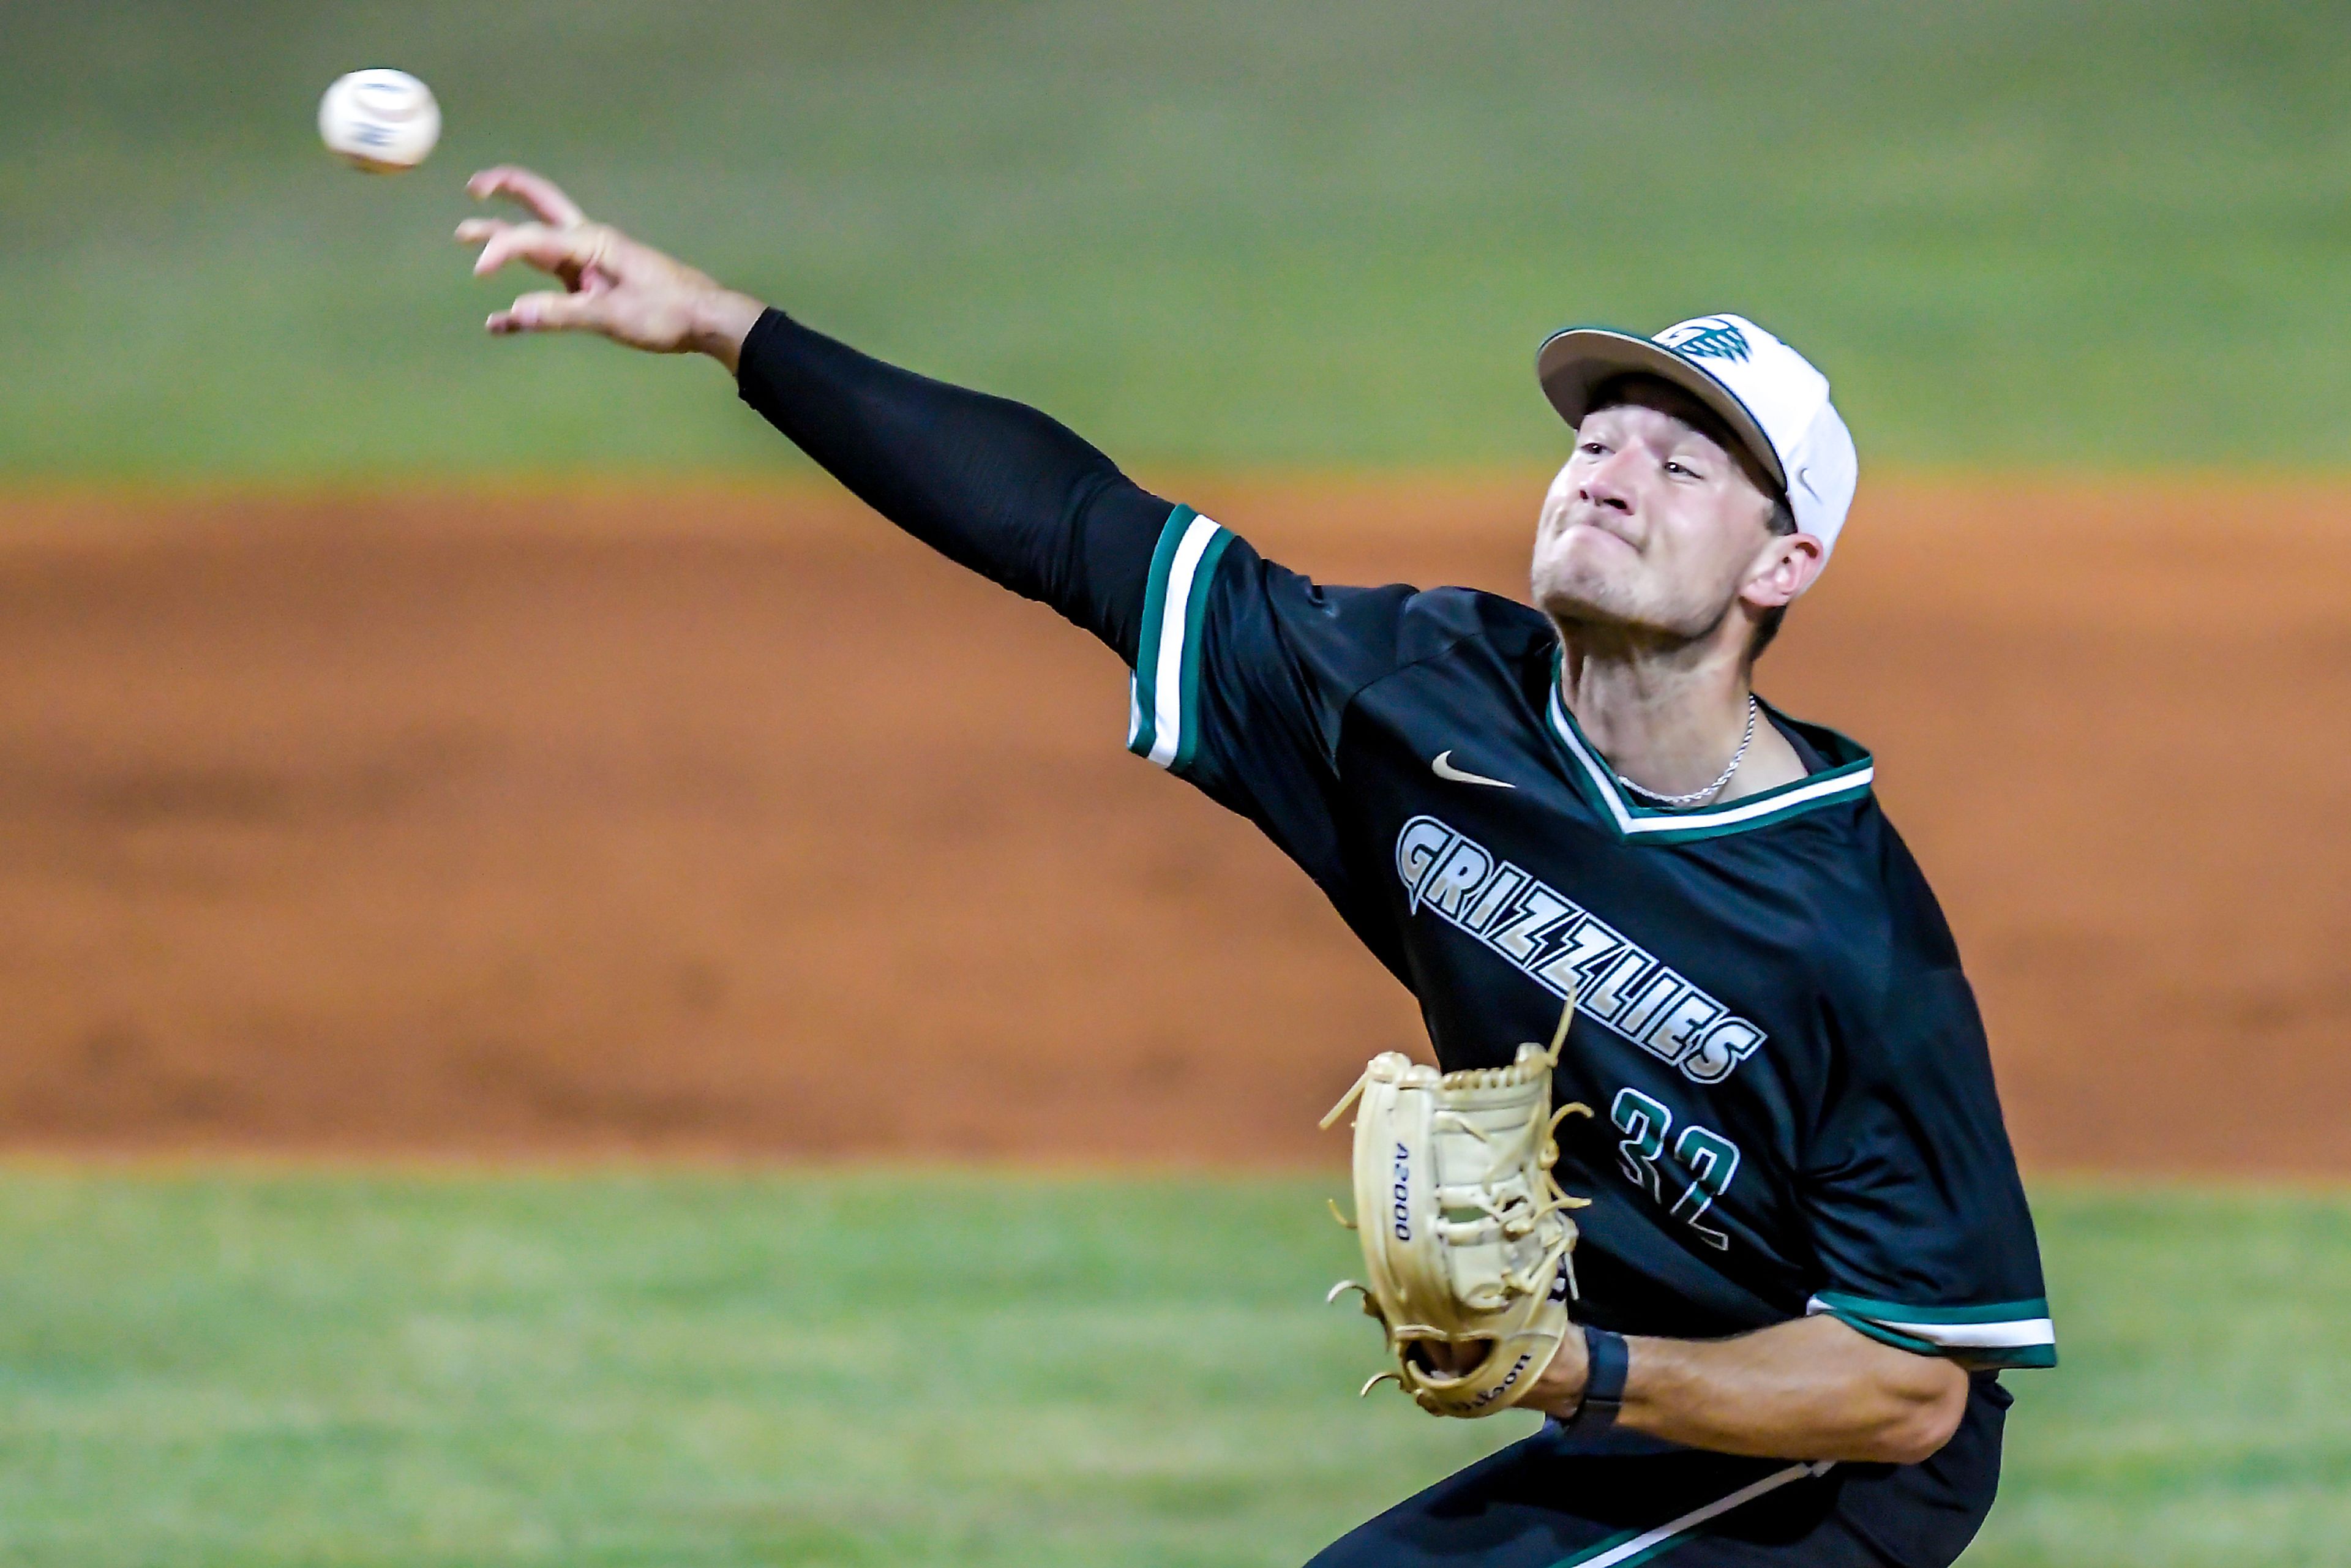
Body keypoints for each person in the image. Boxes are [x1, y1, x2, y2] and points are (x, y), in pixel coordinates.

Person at [457, 167, 2053, 1568]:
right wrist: (729, 327)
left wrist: (1577, 1369)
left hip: (1823, 1462)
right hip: (1649, 1416)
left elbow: (1914, 1386)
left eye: (1684, 463)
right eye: (1599, 437)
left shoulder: (1852, 934)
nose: (1609, 470)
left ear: (1787, 564)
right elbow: (1077, 528)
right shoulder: (1412, 691)